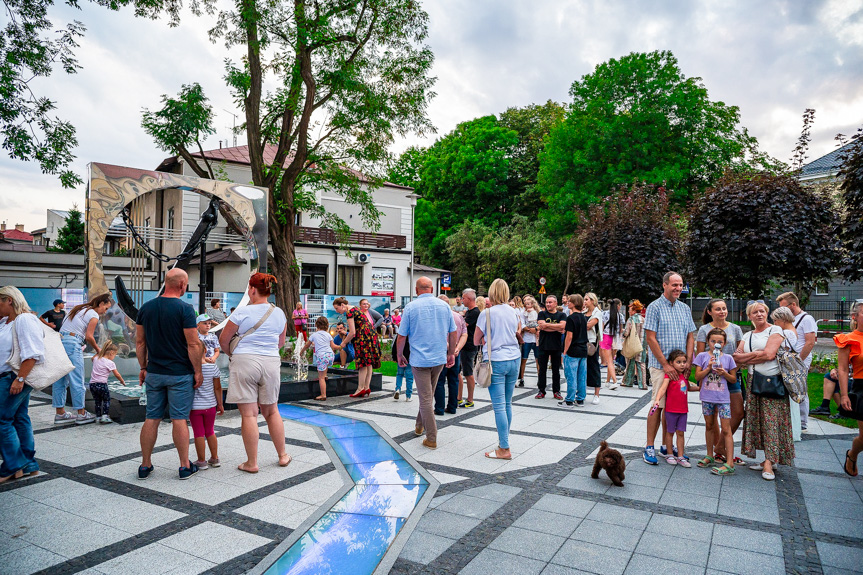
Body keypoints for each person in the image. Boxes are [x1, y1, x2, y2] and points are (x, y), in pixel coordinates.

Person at [218, 272, 292, 473]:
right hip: (270, 361)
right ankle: (283, 455)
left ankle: (252, 463)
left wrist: (234, 354)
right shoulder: (279, 313)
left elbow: (224, 341)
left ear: (251, 290)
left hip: (245, 360)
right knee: (272, 411)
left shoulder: (241, 313)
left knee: (250, 415)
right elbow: (281, 342)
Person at [137, 269, 204, 480]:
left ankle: (145, 465)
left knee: (152, 417)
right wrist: (198, 371)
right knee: (179, 419)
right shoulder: (185, 310)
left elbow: (140, 342)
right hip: (179, 374)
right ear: (182, 284)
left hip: (155, 372)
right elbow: (193, 344)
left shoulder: (146, 308)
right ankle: (185, 466)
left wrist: (143, 367)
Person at [733, 301, 795, 481]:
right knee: (757, 420)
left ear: (767, 313)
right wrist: (757, 355)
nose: (759, 314)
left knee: (771, 421)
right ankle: (767, 458)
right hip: (753, 381)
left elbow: (769, 354)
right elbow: (737, 359)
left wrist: (751, 357)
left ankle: (769, 461)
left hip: (771, 381)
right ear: (749, 316)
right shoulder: (747, 334)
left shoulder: (775, 331)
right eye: (755, 312)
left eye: (762, 311)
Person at [642, 272, 697, 465]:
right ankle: (649, 446)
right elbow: (650, 338)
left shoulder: (684, 308)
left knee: (672, 407)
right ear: (664, 285)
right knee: (658, 405)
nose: (678, 288)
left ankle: (667, 446)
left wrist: (688, 361)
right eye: (674, 285)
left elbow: (691, 336)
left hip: (680, 368)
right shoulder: (654, 307)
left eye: (680, 285)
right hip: (660, 366)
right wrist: (666, 365)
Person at [396, 277, 457, 450]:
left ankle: (431, 438)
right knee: (427, 395)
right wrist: (451, 353)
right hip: (438, 358)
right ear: (431, 289)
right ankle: (419, 426)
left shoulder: (410, 307)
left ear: (417, 291)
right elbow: (453, 332)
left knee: (425, 398)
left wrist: (400, 355)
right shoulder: (444, 306)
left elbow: (402, 336)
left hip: (419, 359)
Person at [0, 286, 44, 482]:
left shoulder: (24, 319)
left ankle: (13, 465)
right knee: (19, 418)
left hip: (13, 377)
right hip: (11, 377)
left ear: (9, 300)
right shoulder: (5, 322)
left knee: (1, 420)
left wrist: (20, 379)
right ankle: (27, 465)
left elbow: (32, 352)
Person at [474, 278, 522, 459]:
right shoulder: (514, 312)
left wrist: (487, 339)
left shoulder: (486, 313)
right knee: (507, 403)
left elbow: (476, 340)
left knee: (499, 406)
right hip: (514, 358)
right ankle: (504, 441)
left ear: (492, 293)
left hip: (496, 361)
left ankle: (504, 448)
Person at [696, 298, 745, 461]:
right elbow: (700, 355)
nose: (722, 311)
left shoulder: (735, 328)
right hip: (710, 378)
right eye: (718, 309)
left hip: (730, 375)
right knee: (712, 416)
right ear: (710, 312)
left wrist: (731, 370)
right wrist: (702, 376)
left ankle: (720, 446)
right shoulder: (704, 329)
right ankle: (717, 452)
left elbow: (740, 353)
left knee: (738, 413)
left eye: (724, 308)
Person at [54, 292, 113, 426]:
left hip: (60, 342)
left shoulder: (78, 309)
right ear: (101, 304)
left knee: (60, 379)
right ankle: (81, 414)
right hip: (72, 343)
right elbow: (89, 336)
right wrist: (99, 351)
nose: (105, 312)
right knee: (77, 379)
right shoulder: (93, 314)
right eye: (106, 308)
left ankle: (60, 413)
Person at [693, 328, 738, 475]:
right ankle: (709, 455)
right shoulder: (702, 356)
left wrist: (724, 372)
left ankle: (730, 462)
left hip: (723, 398)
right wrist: (708, 368)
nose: (716, 344)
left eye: (719, 342)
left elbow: (733, 379)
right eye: (713, 341)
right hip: (707, 397)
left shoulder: (728, 358)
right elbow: (697, 377)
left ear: (724, 343)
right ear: (708, 342)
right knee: (709, 425)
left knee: (726, 429)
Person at [776, 292, 818, 430]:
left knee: (799, 388)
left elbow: (810, 342)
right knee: (790, 388)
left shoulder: (807, 319)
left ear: (793, 304)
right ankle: (793, 419)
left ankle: (802, 422)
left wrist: (798, 360)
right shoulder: (792, 318)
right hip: (790, 359)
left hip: (800, 359)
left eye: (785, 307)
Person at [651, 350, 694, 468]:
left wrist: (703, 389)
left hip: (683, 410)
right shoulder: (669, 375)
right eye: (678, 362)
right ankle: (669, 454)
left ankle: (680, 456)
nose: (682, 364)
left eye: (684, 362)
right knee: (669, 433)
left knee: (681, 433)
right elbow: (663, 389)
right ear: (671, 363)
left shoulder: (685, 375)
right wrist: (657, 400)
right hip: (671, 410)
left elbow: (689, 388)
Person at [332, 297, 381, 397]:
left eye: (337, 308)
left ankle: (360, 389)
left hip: (363, 338)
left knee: (362, 363)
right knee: (369, 363)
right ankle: (366, 387)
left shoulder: (349, 312)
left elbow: (352, 333)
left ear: (342, 305)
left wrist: (344, 343)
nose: (337, 311)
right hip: (370, 335)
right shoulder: (355, 308)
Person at [835, 301, 863, 477]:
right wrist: (844, 394)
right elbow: (843, 369)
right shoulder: (848, 339)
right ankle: (852, 454)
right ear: (855, 317)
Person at [192, 313, 223, 470]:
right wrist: (220, 404)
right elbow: (218, 388)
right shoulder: (213, 369)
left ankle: (201, 461)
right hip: (211, 406)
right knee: (210, 431)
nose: (208, 325)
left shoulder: (192, 370)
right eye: (205, 323)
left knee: (198, 432)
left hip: (195, 407)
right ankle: (215, 458)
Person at [771, 306, 804, 441]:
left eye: (775, 320)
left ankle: (788, 431)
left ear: (782, 319)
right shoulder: (792, 330)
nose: (774, 324)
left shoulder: (787, 333)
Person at [435, 295, 467, 415]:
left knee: (439, 380)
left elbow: (438, 334)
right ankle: (452, 407)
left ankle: (439, 408)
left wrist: (451, 348)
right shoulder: (458, 316)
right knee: (453, 380)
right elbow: (464, 334)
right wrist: (457, 348)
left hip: (442, 352)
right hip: (455, 353)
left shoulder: (438, 317)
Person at [300, 316, 339, 401]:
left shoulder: (314, 335)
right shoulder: (328, 335)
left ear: (316, 325)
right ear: (327, 325)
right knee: (325, 367)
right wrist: (340, 346)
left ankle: (323, 395)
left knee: (320, 377)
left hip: (322, 356)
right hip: (330, 355)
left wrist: (301, 351)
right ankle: (325, 375)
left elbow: (307, 345)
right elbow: (333, 346)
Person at [535, 295, 566, 400]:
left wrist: (547, 326)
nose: (548, 304)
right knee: (542, 370)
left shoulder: (561, 315)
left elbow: (563, 327)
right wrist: (556, 327)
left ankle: (556, 391)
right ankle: (541, 390)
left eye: (550, 302)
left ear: (556, 303)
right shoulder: (542, 313)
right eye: (547, 302)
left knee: (556, 370)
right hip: (543, 345)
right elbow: (542, 325)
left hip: (556, 346)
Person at [560, 294, 588, 408]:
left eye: (570, 301)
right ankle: (580, 399)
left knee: (571, 376)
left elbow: (569, 336)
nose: (568, 303)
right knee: (581, 376)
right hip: (583, 350)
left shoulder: (571, 318)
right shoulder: (583, 317)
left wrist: (565, 351)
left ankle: (569, 400)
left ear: (574, 303)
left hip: (573, 350)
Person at [89, 341, 125, 424]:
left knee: (97, 401)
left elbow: (92, 358)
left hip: (92, 384)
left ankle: (98, 417)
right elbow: (117, 374)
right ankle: (105, 416)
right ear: (111, 353)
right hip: (102, 384)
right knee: (106, 400)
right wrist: (122, 381)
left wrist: (100, 352)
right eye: (115, 355)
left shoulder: (96, 359)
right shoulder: (110, 363)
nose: (114, 357)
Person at [458, 289, 480, 408]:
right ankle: (459, 398)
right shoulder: (469, 311)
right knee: (460, 372)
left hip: (469, 346)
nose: (462, 300)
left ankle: (470, 399)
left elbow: (463, 325)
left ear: (470, 299)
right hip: (465, 346)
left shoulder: (475, 312)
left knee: (468, 372)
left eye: (464, 298)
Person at [584, 293, 604, 405]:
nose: (584, 301)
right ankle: (582, 391)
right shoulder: (583, 313)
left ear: (592, 300)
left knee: (594, 367)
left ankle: (596, 394)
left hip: (592, 343)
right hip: (582, 342)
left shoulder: (597, 313)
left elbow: (588, 325)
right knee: (582, 367)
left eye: (586, 299)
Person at [622, 300, 647, 389]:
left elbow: (626, 333)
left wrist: (622, 334)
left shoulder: (631, 319)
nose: (629, 311)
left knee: (630, 363)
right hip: (642, 345)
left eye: (630, 309)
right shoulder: (644, 320)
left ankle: (628, 382)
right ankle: (643, 384)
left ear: (634, 310)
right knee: (641, 364)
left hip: (632, 345)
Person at [601, 298, 624, 389]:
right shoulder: (620, 316)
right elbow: (621, 330)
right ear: (618, 306)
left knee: (609, 361)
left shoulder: (604, 314)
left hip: (606, 337)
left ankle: (614, 381)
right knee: (612, 361)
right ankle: (607, 381)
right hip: (616, 339)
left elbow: (602, 328)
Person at [519, 296, 539, 388]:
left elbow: (540, 323)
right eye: (525, 303)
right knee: (524, 359)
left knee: (538, 359)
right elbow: (521, 323)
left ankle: (540, 378)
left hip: (536, 339)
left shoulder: (537, 312)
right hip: (526, 338)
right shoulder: (523, 313)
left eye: (528, 303)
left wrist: (535, 329)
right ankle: (521, 378)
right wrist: (528, 329)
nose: (526, 305)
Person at [393, 334, 413, 401]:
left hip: (400, 358)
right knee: (409, 377)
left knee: (399, 374)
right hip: (410, 359)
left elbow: (395, 346)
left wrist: (394, 356)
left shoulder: (400, 335)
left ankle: (398, 389)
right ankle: (408, 395)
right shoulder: (412, 335)